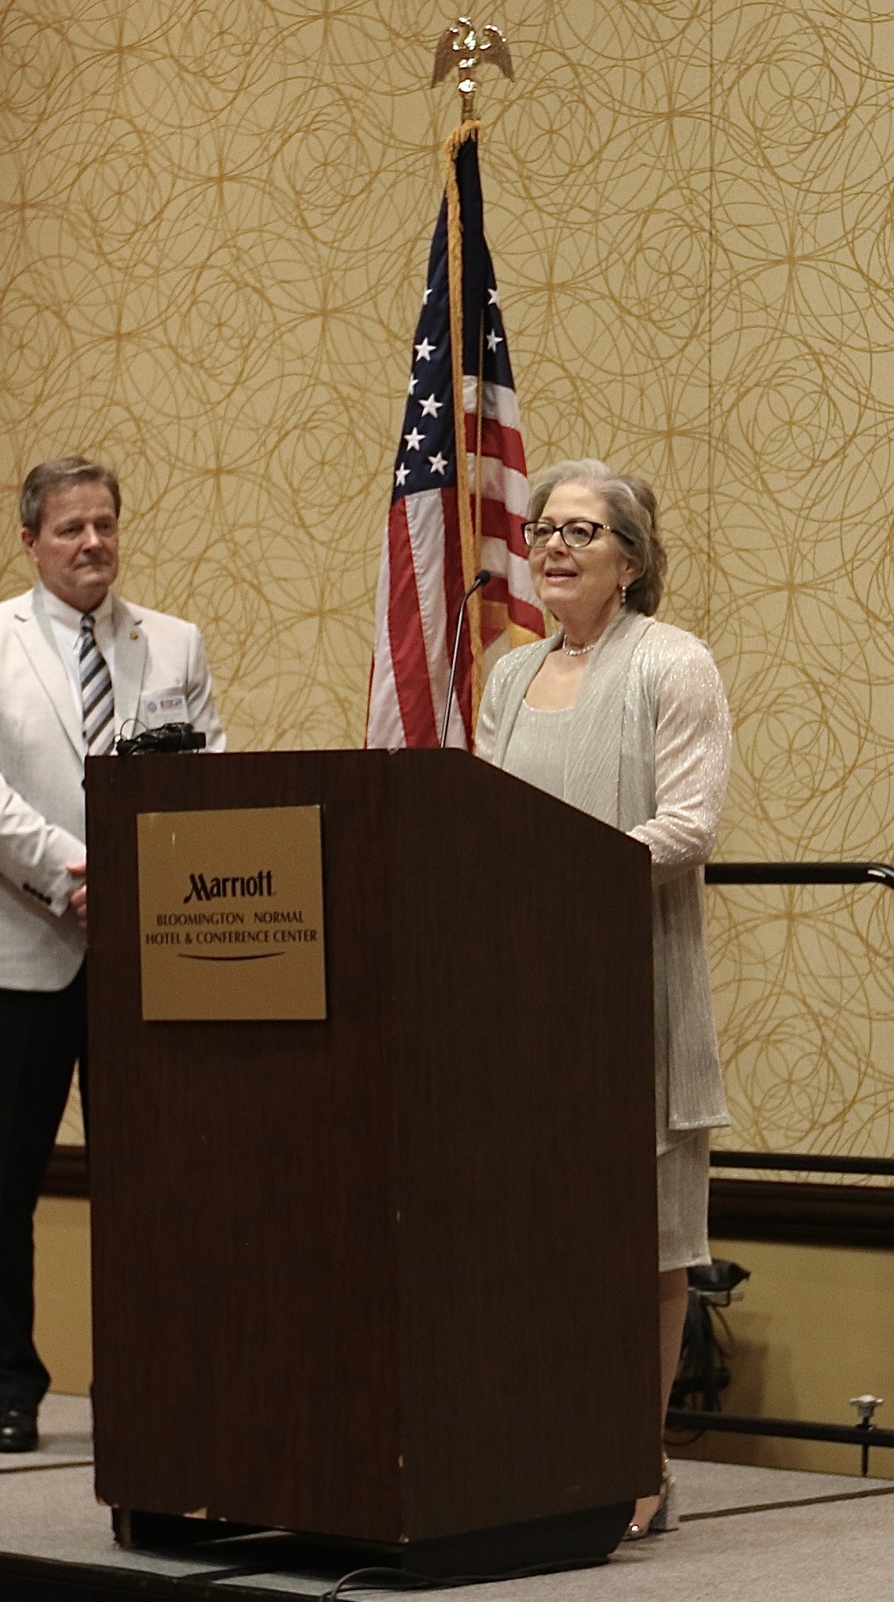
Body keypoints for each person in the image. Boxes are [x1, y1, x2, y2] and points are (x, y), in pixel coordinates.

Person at [0, 457, 226, 1453]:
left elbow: (209, 776)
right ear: (30, 541)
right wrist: (75, 872)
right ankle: (10, 1391)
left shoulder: (172, 644)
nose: (92, 543)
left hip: (148, 947)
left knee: (147, 1178)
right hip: (22, 944)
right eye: (70, 529)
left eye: (104, 524)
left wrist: (142, 880)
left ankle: (140, 1379)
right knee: (6, 1179)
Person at [475, 458, 731, 1539]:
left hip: (632, 986)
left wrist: (559, 880)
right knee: (536, 1231)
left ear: (630, 559)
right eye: (543, 529)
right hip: (517, 997)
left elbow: (687, 825)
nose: (553, 546)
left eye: (582, 531)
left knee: (646, 1240)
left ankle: (638, 1454)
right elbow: (476, 818)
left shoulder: (672, 665)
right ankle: (542, 1439)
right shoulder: (507, 676)